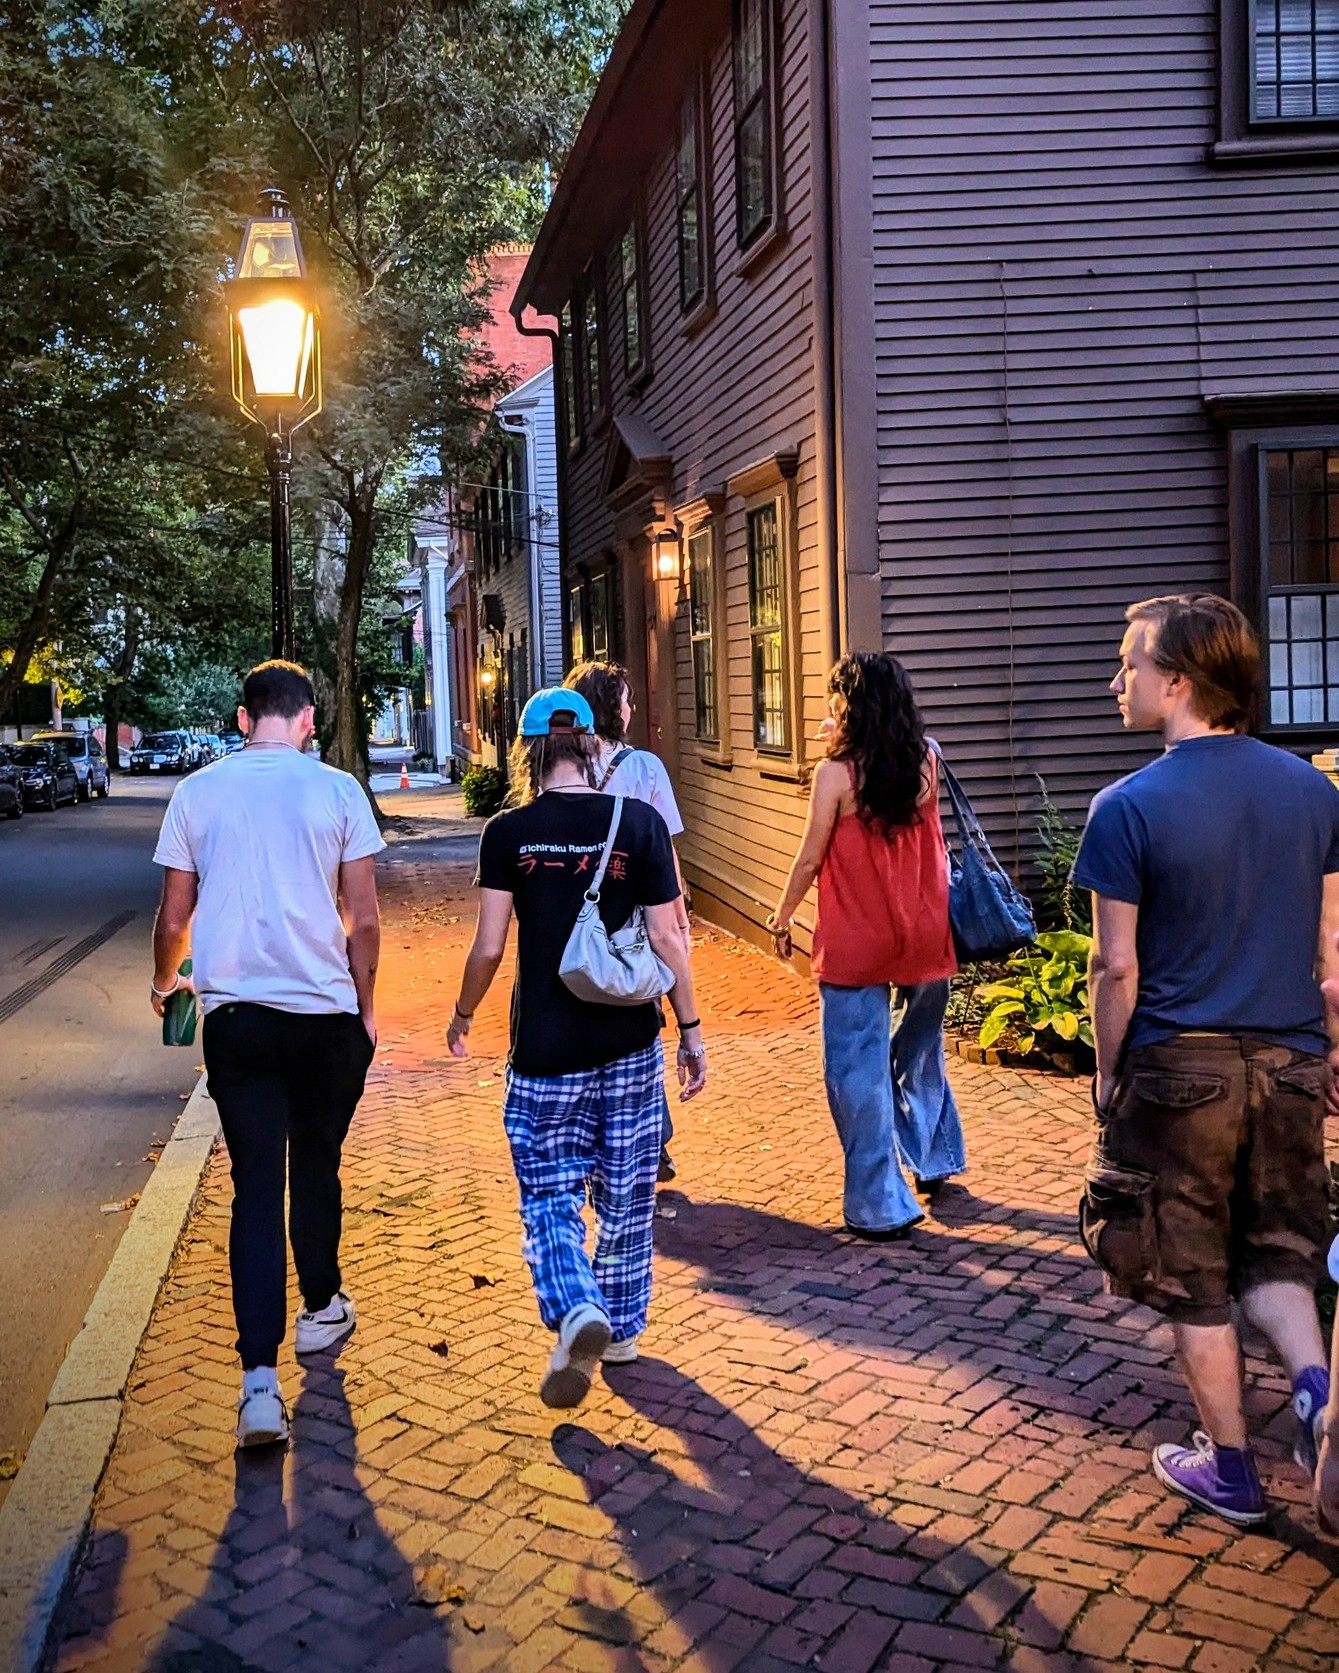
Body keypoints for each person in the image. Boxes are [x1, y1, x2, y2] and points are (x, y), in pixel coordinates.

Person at [1075, 594, 1339, 1527]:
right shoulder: (1314, 793)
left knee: (1190, 1273)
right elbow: (1331, 957)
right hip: (1291, 1059)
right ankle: (1318, 1400)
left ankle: (1230, 1469)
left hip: (1179, 1068)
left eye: (1128, 665)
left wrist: (1109, 1071)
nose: (1117, 681)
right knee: (1279, 1255)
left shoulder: (1127, 806)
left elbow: (1116, 966)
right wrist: (1330, 1053)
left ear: (1176, 680)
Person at [447, 687, 707, 1408]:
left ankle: (572, 1304)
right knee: (626, 1192)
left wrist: (464, 1012)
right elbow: (668, 938)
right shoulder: (641, 823)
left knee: (549, 1194)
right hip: (629, 1043)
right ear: (593, 744)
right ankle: (619, 1329)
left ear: (529, 750)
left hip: (545, 1051)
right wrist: (688, 1030)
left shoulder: (508, 832)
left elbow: (491, 946)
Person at [150, 661, 383, 1448]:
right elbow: (366, 917)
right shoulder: (339, 791)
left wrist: (164, 981)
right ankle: (321, 1308)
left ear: (245, 717)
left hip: (238, 1019)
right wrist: (367, 1005)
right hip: (324, 1013)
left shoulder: (199, 791)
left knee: (257, 1186)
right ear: (309, 718)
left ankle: (257, 1387)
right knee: (316, 1160)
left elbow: (174, 912)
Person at [769, 652, 961, 1240]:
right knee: (920, 1051)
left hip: (859, 937)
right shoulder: (927, 761)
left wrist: (781, 917)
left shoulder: (836, 775)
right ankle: (934, 1158)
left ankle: (879, 1203)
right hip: (926, 928)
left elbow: (810, 857)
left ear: (848, 703)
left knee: (858, 1069)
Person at [564, 660, 691, 1183]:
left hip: (584, 909)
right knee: (644, 1015)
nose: (632, 708)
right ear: (610, 708)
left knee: (589, 1017)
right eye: (626, 700)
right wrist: (679, 909)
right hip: (642, 910)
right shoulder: (644, 768)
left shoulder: (565, 765)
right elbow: (665, 848)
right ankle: (651, 1140)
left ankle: (598, 1140)